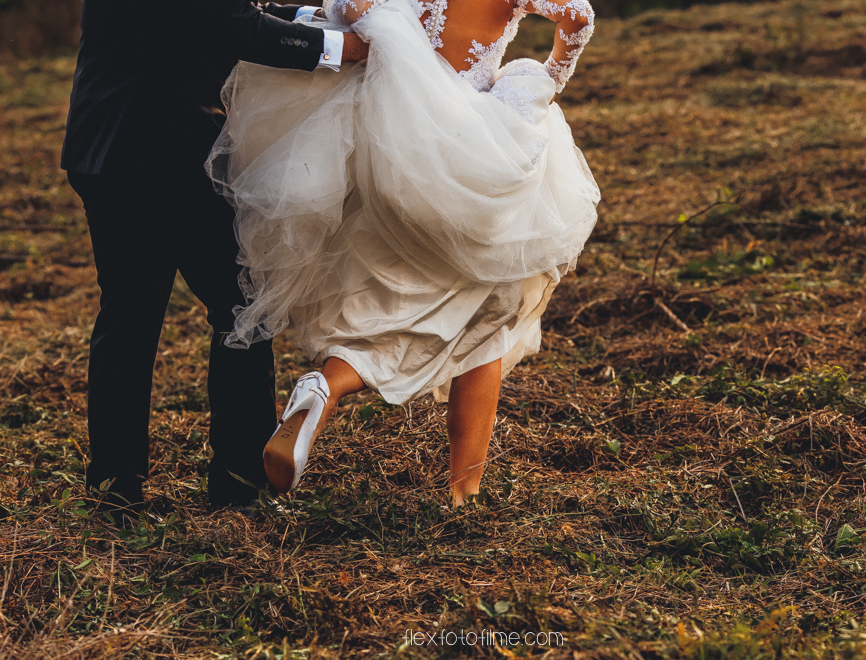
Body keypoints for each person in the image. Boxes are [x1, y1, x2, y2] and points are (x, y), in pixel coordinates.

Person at [207, 0, 600, 506]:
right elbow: (579, 16)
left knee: (386, 305)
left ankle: (325, 388)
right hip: (474, 154)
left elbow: (353, 12)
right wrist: (550, 76)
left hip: (393, 155)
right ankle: (465, 490)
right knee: (485, 318)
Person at [61, 0, 370, 517]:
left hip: (114, 144)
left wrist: (315, 14)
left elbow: (227, 10)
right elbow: (226, 23)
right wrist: (336, 46)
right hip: (152, 149)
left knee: (132, 316)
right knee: (240, 308)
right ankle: (237, 482)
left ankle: (116, 484)